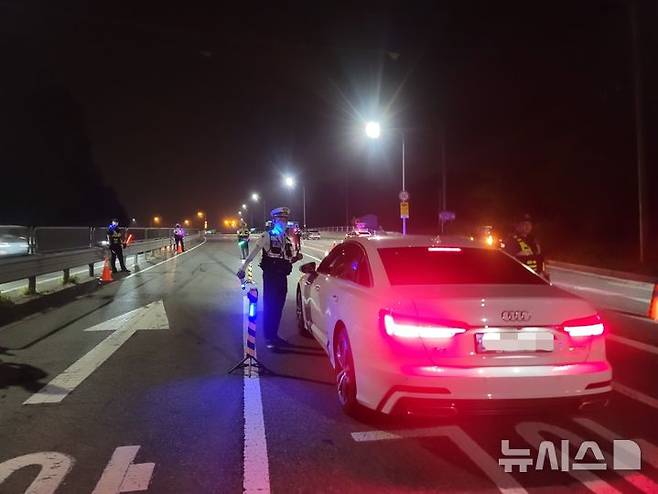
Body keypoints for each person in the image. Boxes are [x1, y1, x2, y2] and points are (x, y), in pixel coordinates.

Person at [237, 207, 303, 349]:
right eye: (280, 219)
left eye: (285, 219)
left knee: (279, 307)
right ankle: (269, 338)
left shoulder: (286, 239)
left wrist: (296, 258)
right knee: (270, 305)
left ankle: (274, 335)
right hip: (271, 276)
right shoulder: (267, 236)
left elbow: (287, 259)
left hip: (282, 276)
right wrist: (242, 268)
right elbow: (253, 252)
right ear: (274, 221)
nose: (283, 222)